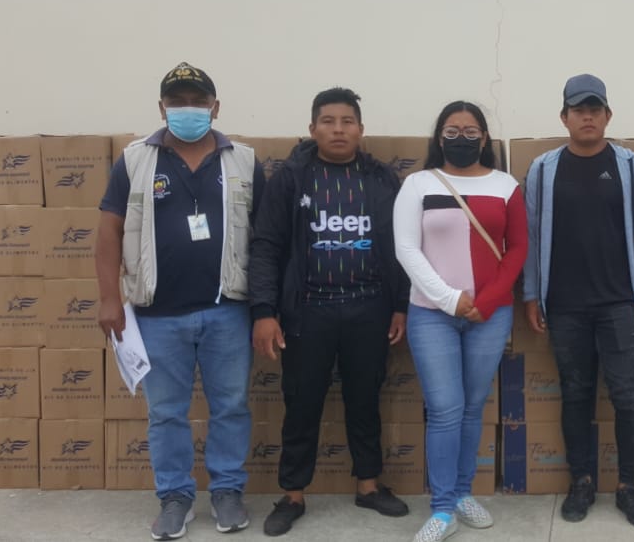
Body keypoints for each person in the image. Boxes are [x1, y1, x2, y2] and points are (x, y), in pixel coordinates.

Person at [95, 62, 265, 540]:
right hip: (156, 315)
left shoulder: (244, 161)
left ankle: (227, 491)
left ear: (215, 107)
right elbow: (108, 232)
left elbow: (266, 239)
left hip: (228, 310)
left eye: (197, 101)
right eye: (177, 102)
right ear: (162, 107)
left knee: (230, 406)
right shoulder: (134, 161)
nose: (187, 109)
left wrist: (266, 308)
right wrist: (109, 299)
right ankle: (175, 497)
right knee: (166, 412)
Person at [247, 87, 411, 536]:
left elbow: (403, 248)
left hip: (369, 308)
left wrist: (400, 305)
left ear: (360, 129)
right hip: (307, 312)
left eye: (347, 122)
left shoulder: (382, 179)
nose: (338, 130)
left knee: (365, 401)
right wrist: (264, 310)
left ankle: (369, 486)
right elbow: (266, 247)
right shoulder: (290, 179)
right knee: (301, 404)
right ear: (312, 128)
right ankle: (293, 494)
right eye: (328, 121)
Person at [521, 74, 634, 528]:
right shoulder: (543, 169)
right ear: (564, 117)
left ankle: (628, 487)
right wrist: (531, 294)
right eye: (578, 110)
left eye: (594, 109)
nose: (587, 117)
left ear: (607, 116)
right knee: (576, 394)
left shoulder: (629, 165)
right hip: (564, 305)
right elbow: (531, 235)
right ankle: (581, 481)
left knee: (628, 397)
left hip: (620, 303)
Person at [393, 101, 526, 542]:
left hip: (490, 315)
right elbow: (406, 250)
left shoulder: (506, 185)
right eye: (452, 131)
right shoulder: (417, 184)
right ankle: (443, 507)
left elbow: (517, 249)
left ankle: (464, 491)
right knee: (445, 410)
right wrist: (451, 300)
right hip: (432, 315)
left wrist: (486, 302)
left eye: (471, 131)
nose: (462, 138)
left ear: (485, 138)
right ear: (439, 137)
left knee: (472, 407)